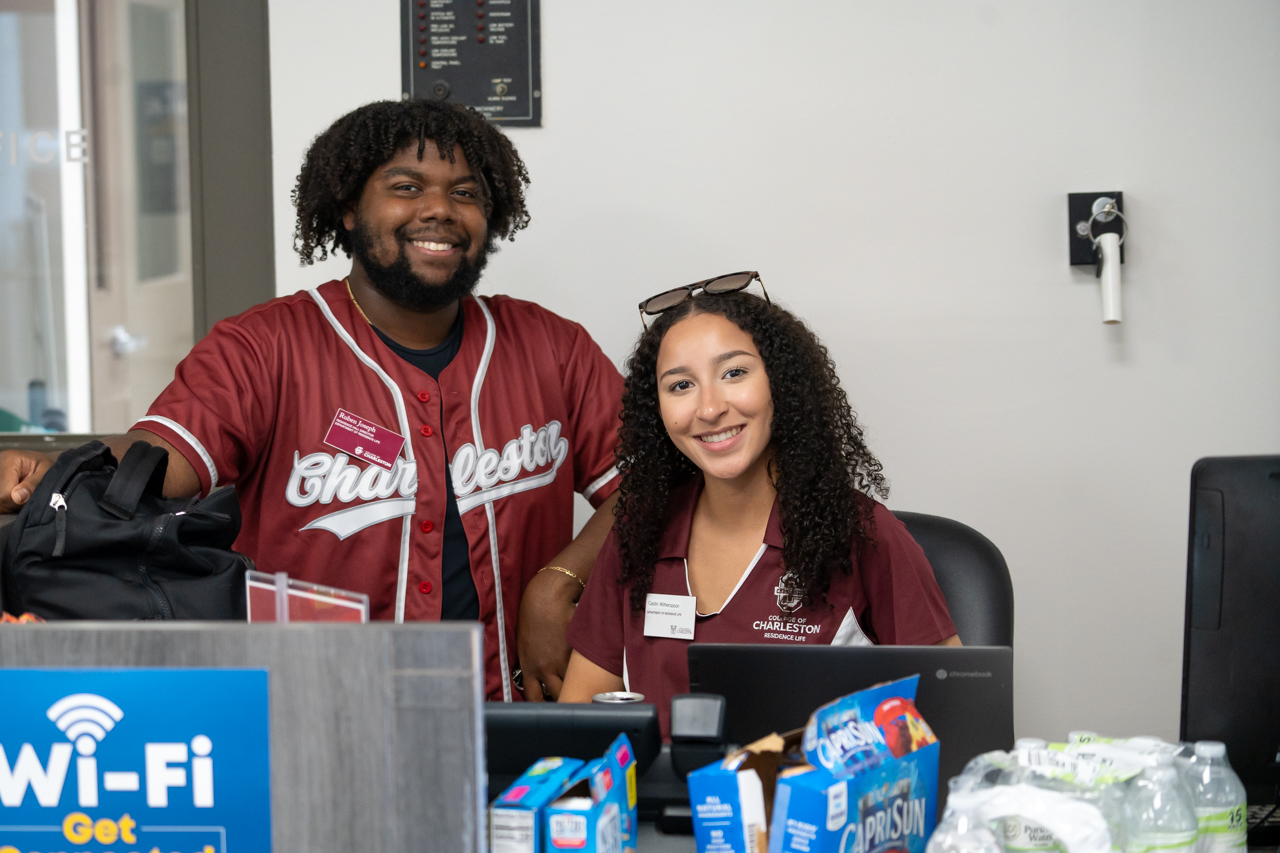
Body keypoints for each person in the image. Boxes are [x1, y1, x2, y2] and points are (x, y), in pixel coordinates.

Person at [0, 100, 622, 702]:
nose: (440, 209)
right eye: (407, 187)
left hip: (515, 722)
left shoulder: (551, 346)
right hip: (315, 719)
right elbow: (162, 458)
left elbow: (648, 483)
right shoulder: (264, 347)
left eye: (465, 193)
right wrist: (51, 468)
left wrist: (558, 583)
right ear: (349, 209)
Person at [560, 278, 959, 737]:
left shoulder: (862, 535)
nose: (709, 409)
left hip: (813, 805)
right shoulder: (638, 532)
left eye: (734, 373)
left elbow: (952, 716)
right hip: (663, 805)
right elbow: (581, 729)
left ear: (781, 382)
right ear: (658, 410)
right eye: (681, 385)